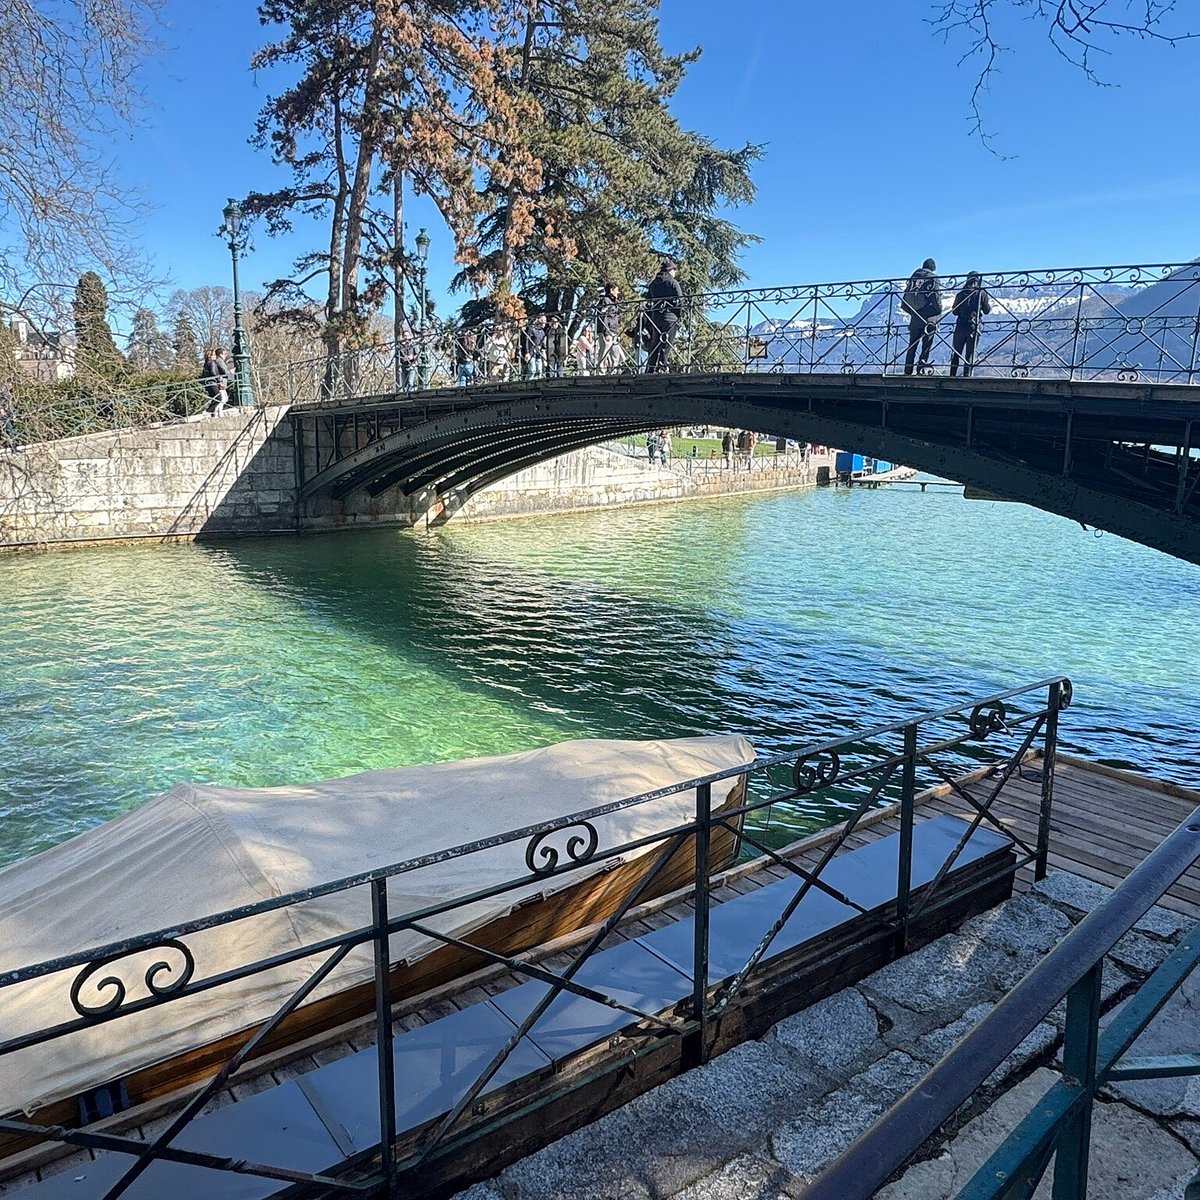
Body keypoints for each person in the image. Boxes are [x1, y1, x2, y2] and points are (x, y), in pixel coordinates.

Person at [900, 257, 942, 375]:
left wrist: (914, 313)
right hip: (929, 317)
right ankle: (921, 370)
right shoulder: (933, 278)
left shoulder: (913, 278)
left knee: (912, 345)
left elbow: (904, 303)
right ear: (933, 268)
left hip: (915, 317)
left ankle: (907, 370)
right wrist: (938, 310)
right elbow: (935, 296)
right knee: (926, 345)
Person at [644, 258, 684, 373]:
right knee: (666, 345)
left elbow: (649, 301)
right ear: (670, 270)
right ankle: (662, 368)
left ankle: (651, 368)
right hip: (670, 318)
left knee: (655, 344)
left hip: (656, 318)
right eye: (674, 270)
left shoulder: (653, 284)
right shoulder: (672, 282)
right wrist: (678, 315)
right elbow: (681, 300)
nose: (675, 273)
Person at [949, 271, 992, 378]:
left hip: (960, 325)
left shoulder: (960, 294)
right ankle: (967, 376)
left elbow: (954, 311)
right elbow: (986, 310)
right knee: (970, 354)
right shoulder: (981, 293)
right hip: (973, 326)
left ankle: (952, 375)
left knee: (956, 352)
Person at [596, 283, 624, 373]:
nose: (618, 292)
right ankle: (600, 373)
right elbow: (603, 317)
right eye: (616, 290)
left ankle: (614, 371)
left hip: (613, 331)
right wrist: (606, 332)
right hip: (607, 331)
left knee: (615, 352)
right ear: (611, 290)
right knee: (604, 352)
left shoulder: (614, 302)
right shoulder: (606, 301)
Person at [520, 315, 546, 380]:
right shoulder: (532, 329)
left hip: (538, 354)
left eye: (545, 321)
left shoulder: (542, 332)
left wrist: (544, 358)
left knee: (539, 371)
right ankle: (528, 383)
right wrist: (527, 352)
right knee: (532, 371)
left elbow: (543, 346)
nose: (544, 322)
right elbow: (527, 340)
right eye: (543, 320)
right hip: (531, 353)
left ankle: (537, 384)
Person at [545, 314, 568, 379]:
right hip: (551, 353)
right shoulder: (548, 331)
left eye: (555, 322)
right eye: (552, 322)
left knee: (560, 371)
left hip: (560, 353)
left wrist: (565, 356)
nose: (554, 324)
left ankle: (560, 382)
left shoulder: (562, 331)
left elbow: (564, 343)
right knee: (551, 371)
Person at [0, 379, 19, 452]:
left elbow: (11, 405)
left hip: (9, 414)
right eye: (11, 383)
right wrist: (1, 409)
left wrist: (14, 414)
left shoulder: (10, 393)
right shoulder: (4, 392)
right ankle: (13, 448)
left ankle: (13, 446)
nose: (12, 385)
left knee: (11, 430)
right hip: (4, 414)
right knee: (10, 430)